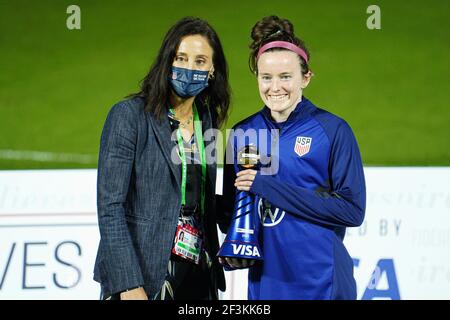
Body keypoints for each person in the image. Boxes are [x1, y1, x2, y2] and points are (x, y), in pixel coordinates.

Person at [219, 15, 366, 300]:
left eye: (286, 77)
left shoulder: (333, 130)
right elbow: (231, 215)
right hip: (266, 285)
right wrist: (235, 247)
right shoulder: (242, 133)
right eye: (266, 77)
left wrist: (266, 186)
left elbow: (351, 210)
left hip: (323, 283)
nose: (275, 88)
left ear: (306, 78)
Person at [93, 17, 231, 300]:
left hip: (198, 273)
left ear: (212, 70)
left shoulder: (207, 120)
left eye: (200, 61)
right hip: (145, 275)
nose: (189, 68)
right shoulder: (129, 116)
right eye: (181, 58)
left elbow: (193, 196)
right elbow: (110, 207)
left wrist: (243, 206)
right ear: (167, 60)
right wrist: (128, 284)